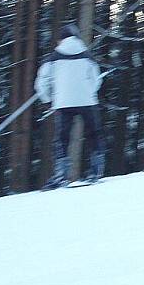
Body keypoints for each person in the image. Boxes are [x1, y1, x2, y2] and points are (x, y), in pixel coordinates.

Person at [35, 23, 105, 189]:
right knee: (93, 134)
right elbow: (96, 78)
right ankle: (96, 171)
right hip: (87, 101)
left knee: (61, 139)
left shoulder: (53, 58)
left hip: (63, 102)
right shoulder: (87, 56)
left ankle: (61, 175)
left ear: (61, 39)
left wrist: (47, 100)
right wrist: (89, 91)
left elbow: (42, 82)